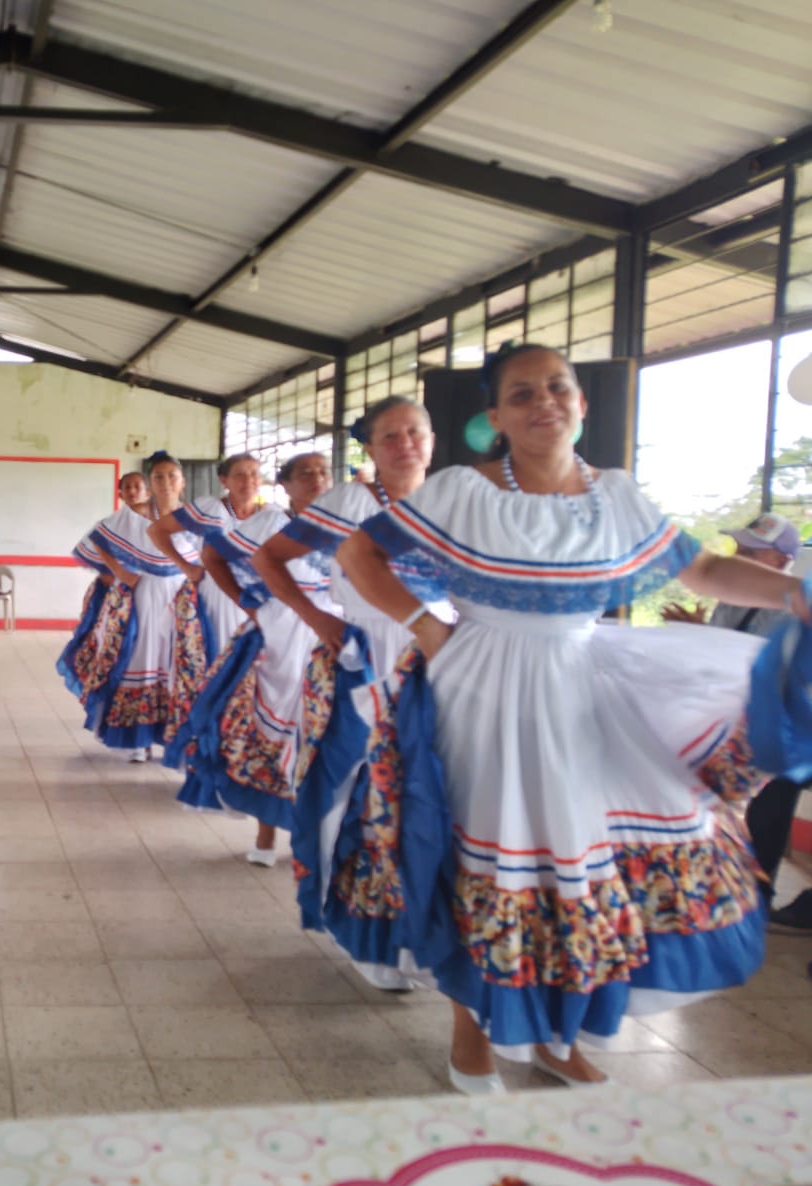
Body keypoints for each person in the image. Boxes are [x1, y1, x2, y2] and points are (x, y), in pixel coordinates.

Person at [336, 342, 811, 1095]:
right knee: (488, 860)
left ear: (582, 404)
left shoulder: (616, 496)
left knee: (579, 865)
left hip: (581, 686)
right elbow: (360, 555)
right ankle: (471, 1035)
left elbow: (701, 570)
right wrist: (425, 625)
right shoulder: (462, 491)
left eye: (557, 388)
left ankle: (556, 1037)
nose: (543, 404)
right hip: (480, 688)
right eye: (522, 394)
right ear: (496, 418)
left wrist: (796, 592)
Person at [250, 397, 451, 992]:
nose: (405, 444)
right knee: (363, 790)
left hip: (442, 656)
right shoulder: (348, 505)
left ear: (433, 440)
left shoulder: (453, 503)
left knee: (431, 795)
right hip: (365, 656)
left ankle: (423, 933)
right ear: (371, 447)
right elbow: (268, 557)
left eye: (415, 432)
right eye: (391, 436)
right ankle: (373, 934)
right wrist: (317, 617)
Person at [168, 452, 334, 866]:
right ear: (286, 485)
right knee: (270, 737)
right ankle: (265, 836)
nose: (316, 478)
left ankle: (321, 838)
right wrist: (248, 604)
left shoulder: (349, 525)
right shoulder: (272, 523)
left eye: (323, 471)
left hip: (332, 636)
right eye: (305, 473)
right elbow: (213, 557)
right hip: (278, 636)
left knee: (325, 737)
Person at [662, 512, 812, 935]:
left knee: (769, 804)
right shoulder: (731, 601)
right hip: (738, 722)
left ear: (781, 561)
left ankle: (752, 899)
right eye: (740, 548)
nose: (740, 555)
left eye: (752, 551)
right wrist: (695, 632)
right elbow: (719, 657)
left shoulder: (794, 610)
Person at [149, 453, 264, 748]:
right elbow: (158, 530)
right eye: (240, 474)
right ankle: (203, 743)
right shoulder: (211, 509)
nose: (248, 481)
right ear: (224, 480)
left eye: (254, 473)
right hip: (215, 600)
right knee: (211, 669)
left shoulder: (270, 516)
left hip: (253, 603)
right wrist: (186, 567)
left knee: (250, 674)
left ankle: (237, 743)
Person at [87, 452, 192, 763]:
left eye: (171, 476)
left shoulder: (194, 516)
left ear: (182, 482)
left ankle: (173, 741)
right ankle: (138, 740)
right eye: (158, 477)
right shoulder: (136, 514)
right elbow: (98, 539)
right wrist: (121, 572)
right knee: (142, 657)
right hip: (146, 592)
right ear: (151, 483)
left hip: (182, 595)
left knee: (177, 664)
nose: (165, 482)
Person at [57, 472, 148, 701]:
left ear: (148, 492)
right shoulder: (110, 525)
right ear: (120, 494)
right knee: (107, 650)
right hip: (112, 596)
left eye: (137, 486)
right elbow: (100, 555)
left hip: (148, 596)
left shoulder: (159, 525)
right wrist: (120, 579)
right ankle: (105, 699)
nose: (132, 491)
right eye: (127, 487)